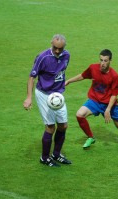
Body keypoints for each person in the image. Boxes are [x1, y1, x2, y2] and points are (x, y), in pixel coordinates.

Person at [65, 49, 118, 148]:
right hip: (94, 101)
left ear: (110, 61)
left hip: (109, 104)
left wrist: (108, 109)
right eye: (101, 60)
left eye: (105, 60)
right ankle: (90, 137)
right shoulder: (93, 68)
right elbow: (83, 76)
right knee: (79, 114)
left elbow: (114, 94)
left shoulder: (114, 76)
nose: (102, 63)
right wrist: (69, 81)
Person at [23, 34, 72, 167]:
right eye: (55, 48)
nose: (57, 51)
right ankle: (45, 158)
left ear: (64, 47)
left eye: (60, 49)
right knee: (50, 127)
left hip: (58, 96)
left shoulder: (67, 56)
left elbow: (61, 72)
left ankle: (56, 154)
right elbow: (31, 77)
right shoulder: (42, 57)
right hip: (44, 94)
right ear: (51, 43)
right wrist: (29, 97)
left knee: (63, 125)